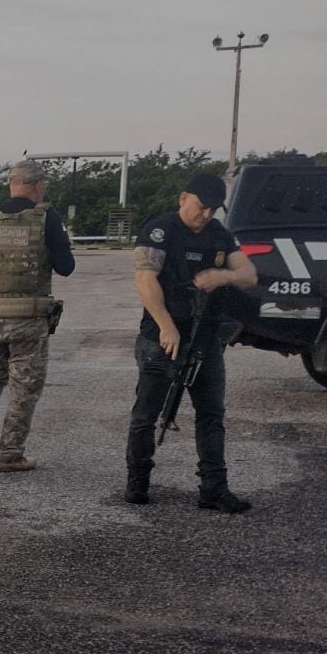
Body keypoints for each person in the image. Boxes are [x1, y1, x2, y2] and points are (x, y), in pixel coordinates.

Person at [124, 173, 258, 513]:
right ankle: (137, 482)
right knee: (147, 414)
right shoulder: (160, 230)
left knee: (212, 414)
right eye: (202, 206)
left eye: (213, 209)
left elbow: (249, 274)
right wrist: (167, 326)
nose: (206, 215)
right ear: (184, 198)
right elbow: (145, 280)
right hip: (161, 337)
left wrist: (223, 276)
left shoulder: (219, 235)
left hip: (205, 338)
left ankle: (214, 488)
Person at [0, 159, 75, 471]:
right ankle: (10, 454)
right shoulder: (46, 217)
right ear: (38, 186)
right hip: (29, 319)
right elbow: (67, 267)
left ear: (12, 183)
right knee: (24, 387)